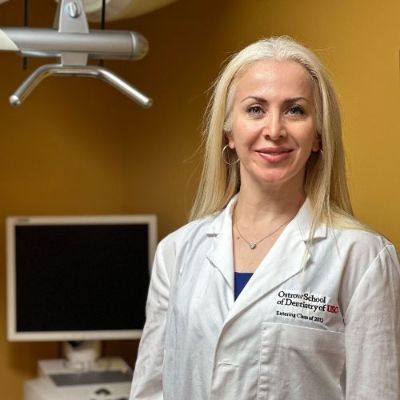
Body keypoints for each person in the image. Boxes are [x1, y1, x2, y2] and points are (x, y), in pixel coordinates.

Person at [129, 36, 400, 399]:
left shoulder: (363, 257)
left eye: (295, 110)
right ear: (228, 131)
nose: (274, 130)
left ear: (319, 135)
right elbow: (150, 391)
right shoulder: (176, 252)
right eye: (255, 109)